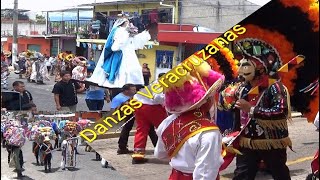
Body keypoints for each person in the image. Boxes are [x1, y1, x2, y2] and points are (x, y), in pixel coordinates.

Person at [231, 39, 292, 180]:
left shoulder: (275, 87)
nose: (240, 69)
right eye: (240, 65)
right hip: (247, 142)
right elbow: (236, 112)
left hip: (272, 142)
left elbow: (281, 111)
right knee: (242, 175)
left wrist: (251, 109)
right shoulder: (242, 88)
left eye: (245, 66)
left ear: (259, 67)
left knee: (279, 174)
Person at [154, 60, 225, 180]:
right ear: (206, 101)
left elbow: (160, 154)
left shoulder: (168, 122)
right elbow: (205, 174)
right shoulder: (208, 132)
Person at [87, 16, 151, 88]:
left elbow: (133, 42)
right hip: (120, 53)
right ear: (122, 23)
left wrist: (140, 35)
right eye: (126, 22)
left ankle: (134, 83)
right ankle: (121, 84)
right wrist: (127, 33)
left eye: (128, 22)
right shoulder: (118, 30)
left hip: (129, 52)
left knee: (135, 69)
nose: (128, 23)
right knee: (123, 70)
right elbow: (116, 45)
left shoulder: (127, 30)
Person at [131, 73, 168, 164]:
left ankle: (138, 155)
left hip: (138, 105)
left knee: (141, 129)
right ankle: (171, 151)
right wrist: (167, 100)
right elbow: (158, 98)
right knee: (165, 128)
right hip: (151, 107)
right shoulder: (159, 84)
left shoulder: (152, 84)